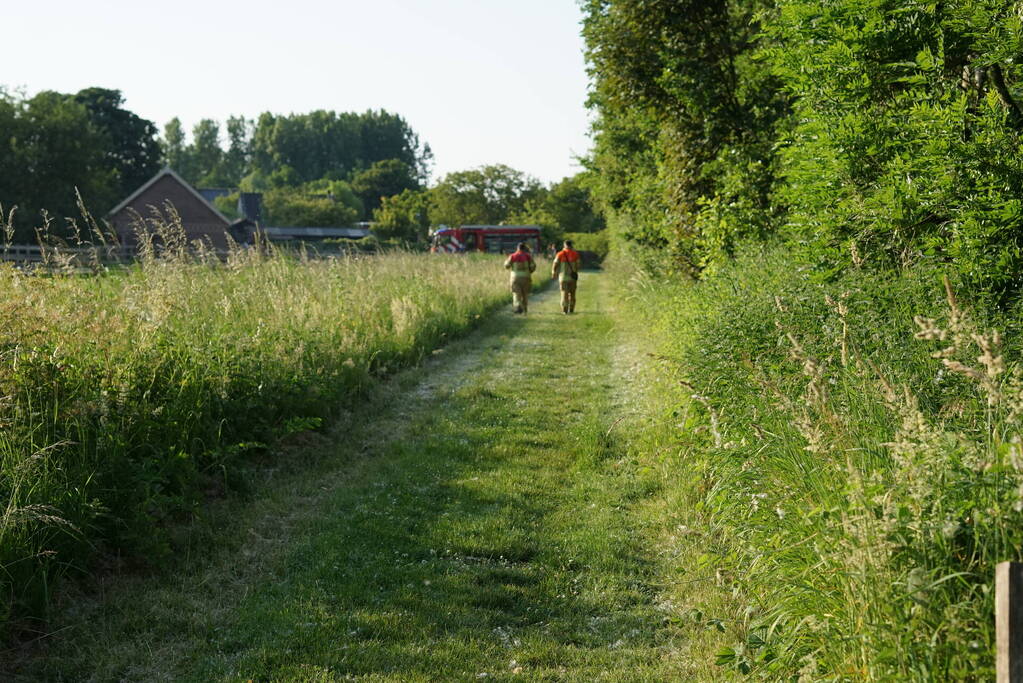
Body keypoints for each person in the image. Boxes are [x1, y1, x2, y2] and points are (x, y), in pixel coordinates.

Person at [503, 242, 536, 314]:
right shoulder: (528, 256)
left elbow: (506, 266)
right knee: (525, 294)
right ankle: (525, 309)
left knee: (516, 293)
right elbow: (533, 266)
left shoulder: (512, 256)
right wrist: (529, 272)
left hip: (515, 278)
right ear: (524, 248)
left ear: (517, 248)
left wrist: (508, 263)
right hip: (526, 277)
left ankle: (518, 306)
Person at [552, 239, 580, 314]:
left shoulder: (560, 254)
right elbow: (578, 265)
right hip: (573, 278)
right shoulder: (575, 254)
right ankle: (571, 309)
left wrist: (553, 272)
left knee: (564, 293)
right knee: (572, 294)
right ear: (571, 245)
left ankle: (565, 310)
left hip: (563, 278)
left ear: (564, 245)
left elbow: (555, 264)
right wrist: (575, 270)